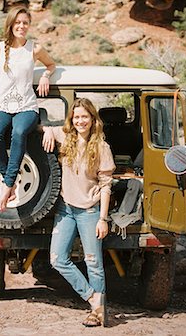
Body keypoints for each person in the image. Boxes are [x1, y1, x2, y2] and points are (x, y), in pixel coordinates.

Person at [42, 98, 115, 327]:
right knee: (57, 258)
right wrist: (46, 131)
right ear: (71, 121)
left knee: (93, 261)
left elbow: (105, 185)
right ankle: (93, 297)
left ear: (93, 119)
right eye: (76, 117)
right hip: (66, 209)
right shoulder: (66, 138)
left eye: (85, 117)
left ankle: (98, 311)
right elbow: (41, 126)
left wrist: (103, 219)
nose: (80, 121)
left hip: (90, 211)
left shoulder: (101, 147)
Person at [0, 5, 55, 212]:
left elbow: (51, 65)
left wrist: (46, 76)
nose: (21, 26)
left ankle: (7, 186)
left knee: (19, 133)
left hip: (27, 107)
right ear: (11, 24)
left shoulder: (34, 49)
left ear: (29, 25)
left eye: (25, 23)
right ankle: (9, 180)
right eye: (18, 22)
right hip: (2, 105)